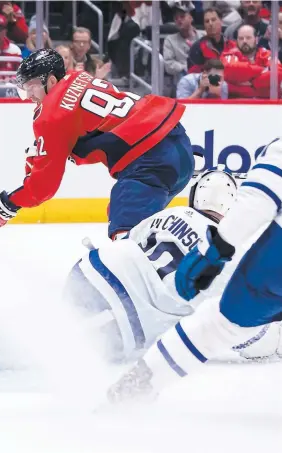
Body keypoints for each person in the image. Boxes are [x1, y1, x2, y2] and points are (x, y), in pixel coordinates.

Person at [106, 138, 282, 402]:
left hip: (106, 284)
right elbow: (262, 344)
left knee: (220, 324)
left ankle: (138, 384)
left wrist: (220, 246)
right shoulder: (231, 267)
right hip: (131, 318)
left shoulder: (168, 214)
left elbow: (261, 194)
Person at [0, 48, 194, 240]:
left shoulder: (49, 115)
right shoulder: (78, 77)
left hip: (150, 161)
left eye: (31, 87)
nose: (29, 96)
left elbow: (42, 189)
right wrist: (52, 153)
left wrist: (6, 204)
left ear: (51, 81)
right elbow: (91, 132)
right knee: (140, 227)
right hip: (178, 142)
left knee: (127, 241)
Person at [221, 24, 282, 98]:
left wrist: (250, 82)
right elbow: (228, 69)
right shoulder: (229, 54)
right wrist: (262, 70)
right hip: (236, 105)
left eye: (248, 38)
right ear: (236, 41)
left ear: (256, 40)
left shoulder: (266, 54)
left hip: (266, 106)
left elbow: (277, 74)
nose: (244, 41)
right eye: (241, 38)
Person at [188, 7, 236, 73]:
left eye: (213, 20)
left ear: (221, 21)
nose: (210, 24)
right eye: (207, 21)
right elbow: (193, 76)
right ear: (204, 25)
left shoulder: (232, 46)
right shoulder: (197, 48)